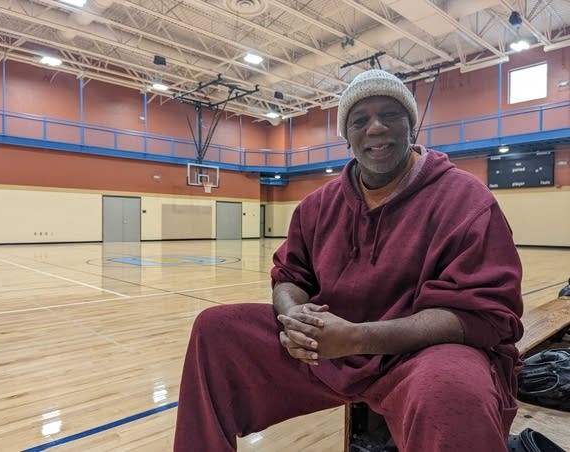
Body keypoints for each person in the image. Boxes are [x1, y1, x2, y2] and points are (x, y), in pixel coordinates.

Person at [174, 69, 524, 452]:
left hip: (416, 358)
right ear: (347, 137)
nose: (375, 128)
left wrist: (357, 337)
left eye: (389, 115)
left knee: (454, 388)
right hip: (326, 353)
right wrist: (297, 319)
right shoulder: (315, 207)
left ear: (411, 125)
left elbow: (485, 316)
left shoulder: (466, 200)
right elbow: (290, 276)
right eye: (360, 120)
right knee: (216, 330)